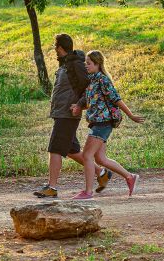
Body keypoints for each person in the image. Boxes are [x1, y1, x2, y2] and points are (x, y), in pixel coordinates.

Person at [33, 34, 112, 198]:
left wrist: (80, 105)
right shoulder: (66, 64)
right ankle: (101, 173)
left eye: (55, 47)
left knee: (55, 149)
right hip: (61, 113)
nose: (54, 50)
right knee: (71, 150)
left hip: (67, 115)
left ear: (60, 47)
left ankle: (52, 188)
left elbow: (89, 87)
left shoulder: (75, 64)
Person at [70, 50, 145, 200]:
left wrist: (131, 115)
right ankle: (130, 177)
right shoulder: (92, 81)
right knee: (100, 159)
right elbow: (93, 102)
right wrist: (79, 107)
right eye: (85, 63)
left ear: (97, 64)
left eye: (89, 63)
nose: (86, 66)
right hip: (96, 122)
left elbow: (116, 99)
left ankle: (88, 192)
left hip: (103, 123)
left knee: (87, 155)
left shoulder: (103, 80)